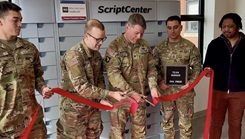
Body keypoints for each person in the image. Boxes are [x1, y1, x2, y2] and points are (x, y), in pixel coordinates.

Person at [56, 19, 127, 139]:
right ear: (87, 36)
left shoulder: (97, 55)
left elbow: (99, 80)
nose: (101, 43)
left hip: (92, 110)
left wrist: (101, 100)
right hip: (74, 113)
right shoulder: (74, 55)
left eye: (103, 39)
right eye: (98, 39)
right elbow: (82, 88)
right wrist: (111, 94)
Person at [0, 1, 54, 138]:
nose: (20, 24)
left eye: (21, 20)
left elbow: (37, 76)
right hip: (6, 127)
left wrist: (42, 88)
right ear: (1, 21)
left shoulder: (29, 48)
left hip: (33, 122)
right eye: (15, 20)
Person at [104, 13, 160, 139]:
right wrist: (131, 92)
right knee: (117, 135)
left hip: (139, 98)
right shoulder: (114, 47)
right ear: (127, 27)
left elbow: (151, 68)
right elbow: (114, 75)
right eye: (136, 33)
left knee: (140, 134)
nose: (139, 36)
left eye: (142, 33)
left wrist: (153, 87)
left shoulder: (144, 45)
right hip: (120, 99)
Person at [153, 15, 202, 139]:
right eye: (169, 28)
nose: (172, 31)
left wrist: (190, 82)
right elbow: (153, 68)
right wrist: (159, 81)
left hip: (184, 92)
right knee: (167, 123)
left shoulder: (190, 47)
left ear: (181, 27)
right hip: (166, 92)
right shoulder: (160, 48)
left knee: (186, 124)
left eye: (175, 27)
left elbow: (197, 67)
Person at [203, 13, 245, 139]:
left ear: (238, 26)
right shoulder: (214, 44)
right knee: (215, 123)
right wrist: (207, 70)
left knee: (235, 124)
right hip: (218, 91)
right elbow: (206, 65)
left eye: (230, 26)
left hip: (239, 92)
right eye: (224, 26)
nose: (226, 29)